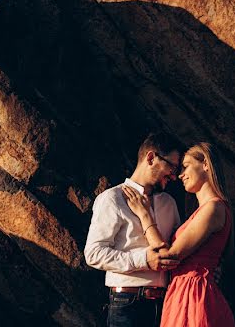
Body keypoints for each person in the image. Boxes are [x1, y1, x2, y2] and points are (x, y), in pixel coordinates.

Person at [121, 142, 235, 327]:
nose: (180, 175)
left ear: (205, 163)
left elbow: (171, 256)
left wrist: (144, 215)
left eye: (186, 166)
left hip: (194, 295)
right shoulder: (204, 210)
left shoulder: (214, 208)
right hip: (184, 291)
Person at [85, 132, 184, 327]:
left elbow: (179, 248)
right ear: (151, 158)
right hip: (126, 305)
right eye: (171, 166)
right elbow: (93, 253)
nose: (174, 176)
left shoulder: (169, 203)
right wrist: (143, 260)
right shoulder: (112, 198)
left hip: (165, 304)